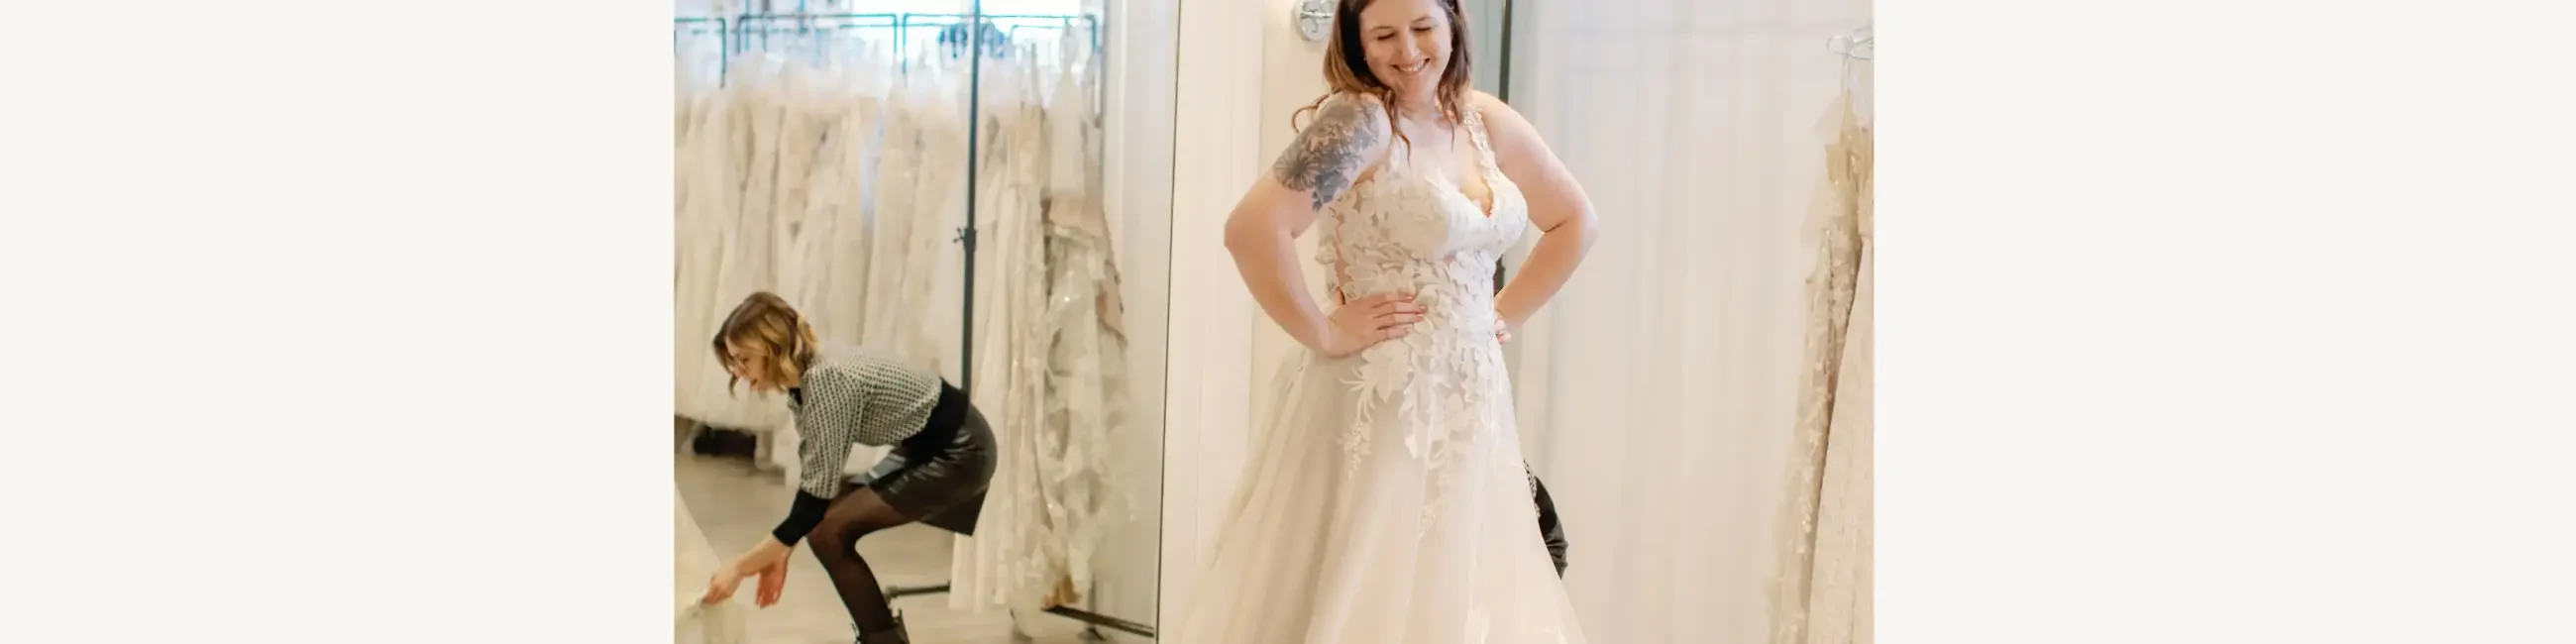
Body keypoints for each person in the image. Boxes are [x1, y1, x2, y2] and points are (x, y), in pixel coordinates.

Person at [1170, 0, 1599, 640]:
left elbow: (1575, 222)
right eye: (1384, 35)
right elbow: (1252, 230)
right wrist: (1323, 328)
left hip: (1472, 401)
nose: (1408, 50)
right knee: (1368, 584)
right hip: (1382, 397)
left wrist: (1501, 313)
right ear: (1358, 44)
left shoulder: (1484, 122)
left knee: (1453, 587)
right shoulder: (1360, 122)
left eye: (1423, 27)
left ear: (1453, 22)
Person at [697, 292, 997, 644]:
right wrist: (779, 553)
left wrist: (741, 566)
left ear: (773, 347)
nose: (738, 372)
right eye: (733, 361)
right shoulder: (806, 379)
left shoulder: (825, 382)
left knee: (828, 532)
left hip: (960, 450)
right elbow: (815, 486)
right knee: (823, 526)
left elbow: (813, 500)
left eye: (744, 359)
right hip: (933, 443)